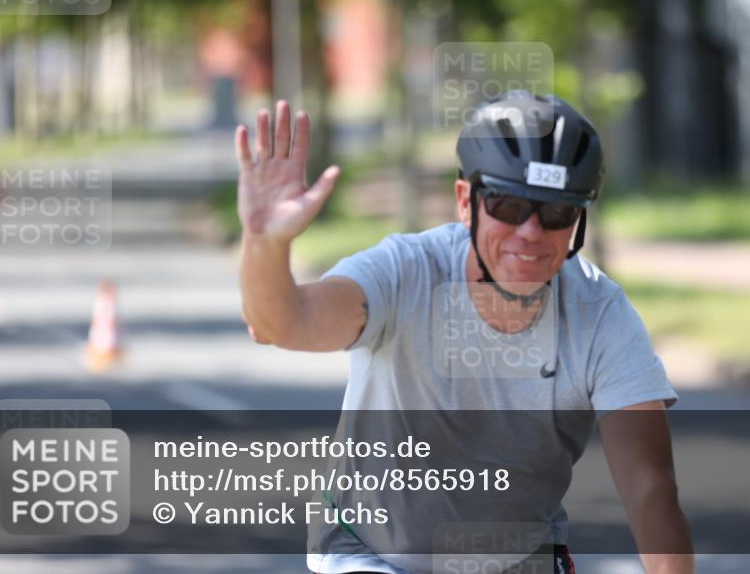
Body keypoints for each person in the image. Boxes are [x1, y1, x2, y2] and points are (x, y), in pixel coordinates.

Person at [235, 90, 695, 574]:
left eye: (557, 213)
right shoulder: (406, 272)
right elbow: (283, 323)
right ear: (465, 202)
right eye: (509, 206)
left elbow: (650, 490)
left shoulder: (599, 315)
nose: (531, 232)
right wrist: (264, 243)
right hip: (370, 551)